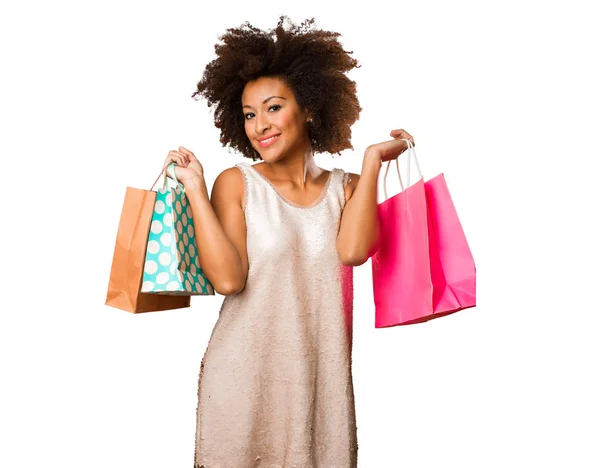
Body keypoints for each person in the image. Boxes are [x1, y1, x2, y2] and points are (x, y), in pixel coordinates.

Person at [162, 15, 415, 468]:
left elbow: (353, 252)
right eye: (249, 114)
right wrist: (196, 189)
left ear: (311, 108)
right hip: (242, 380)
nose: (260, 125)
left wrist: (373, 161)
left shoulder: (348, 188)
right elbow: (227, 280)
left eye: (274, 108)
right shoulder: (236, 184)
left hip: (321, 387)